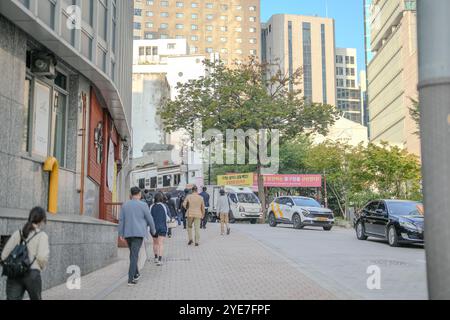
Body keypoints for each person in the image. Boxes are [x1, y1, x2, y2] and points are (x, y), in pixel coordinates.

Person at [1, 207, 49, 300]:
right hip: (32, 274)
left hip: (14, 273)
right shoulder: (42, 236)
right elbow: (42, 257)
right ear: (41, 220)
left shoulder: (17, 233)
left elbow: (3, 255)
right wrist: (41, 267)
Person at [119, 187, 156, 286]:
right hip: (138, 233)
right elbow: (150, 219)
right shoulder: (143, 205)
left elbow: (121, 220)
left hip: (127, 233)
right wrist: (153, 230)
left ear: (131, 194)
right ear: (139, 194)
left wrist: (120, 234)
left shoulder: (125, 205)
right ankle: (131, 279)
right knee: (134, 255)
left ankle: (136, 274)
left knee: (133, 254)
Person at [150, 193, 169, 266]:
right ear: (161, 198)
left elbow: (149, 216)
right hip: (162, 227)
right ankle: (160, 260)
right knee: (161, 243)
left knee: (155, 243)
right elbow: (166, 216)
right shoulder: (163, 206)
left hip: (153, 227)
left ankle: (155, 258)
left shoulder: (151, 206)